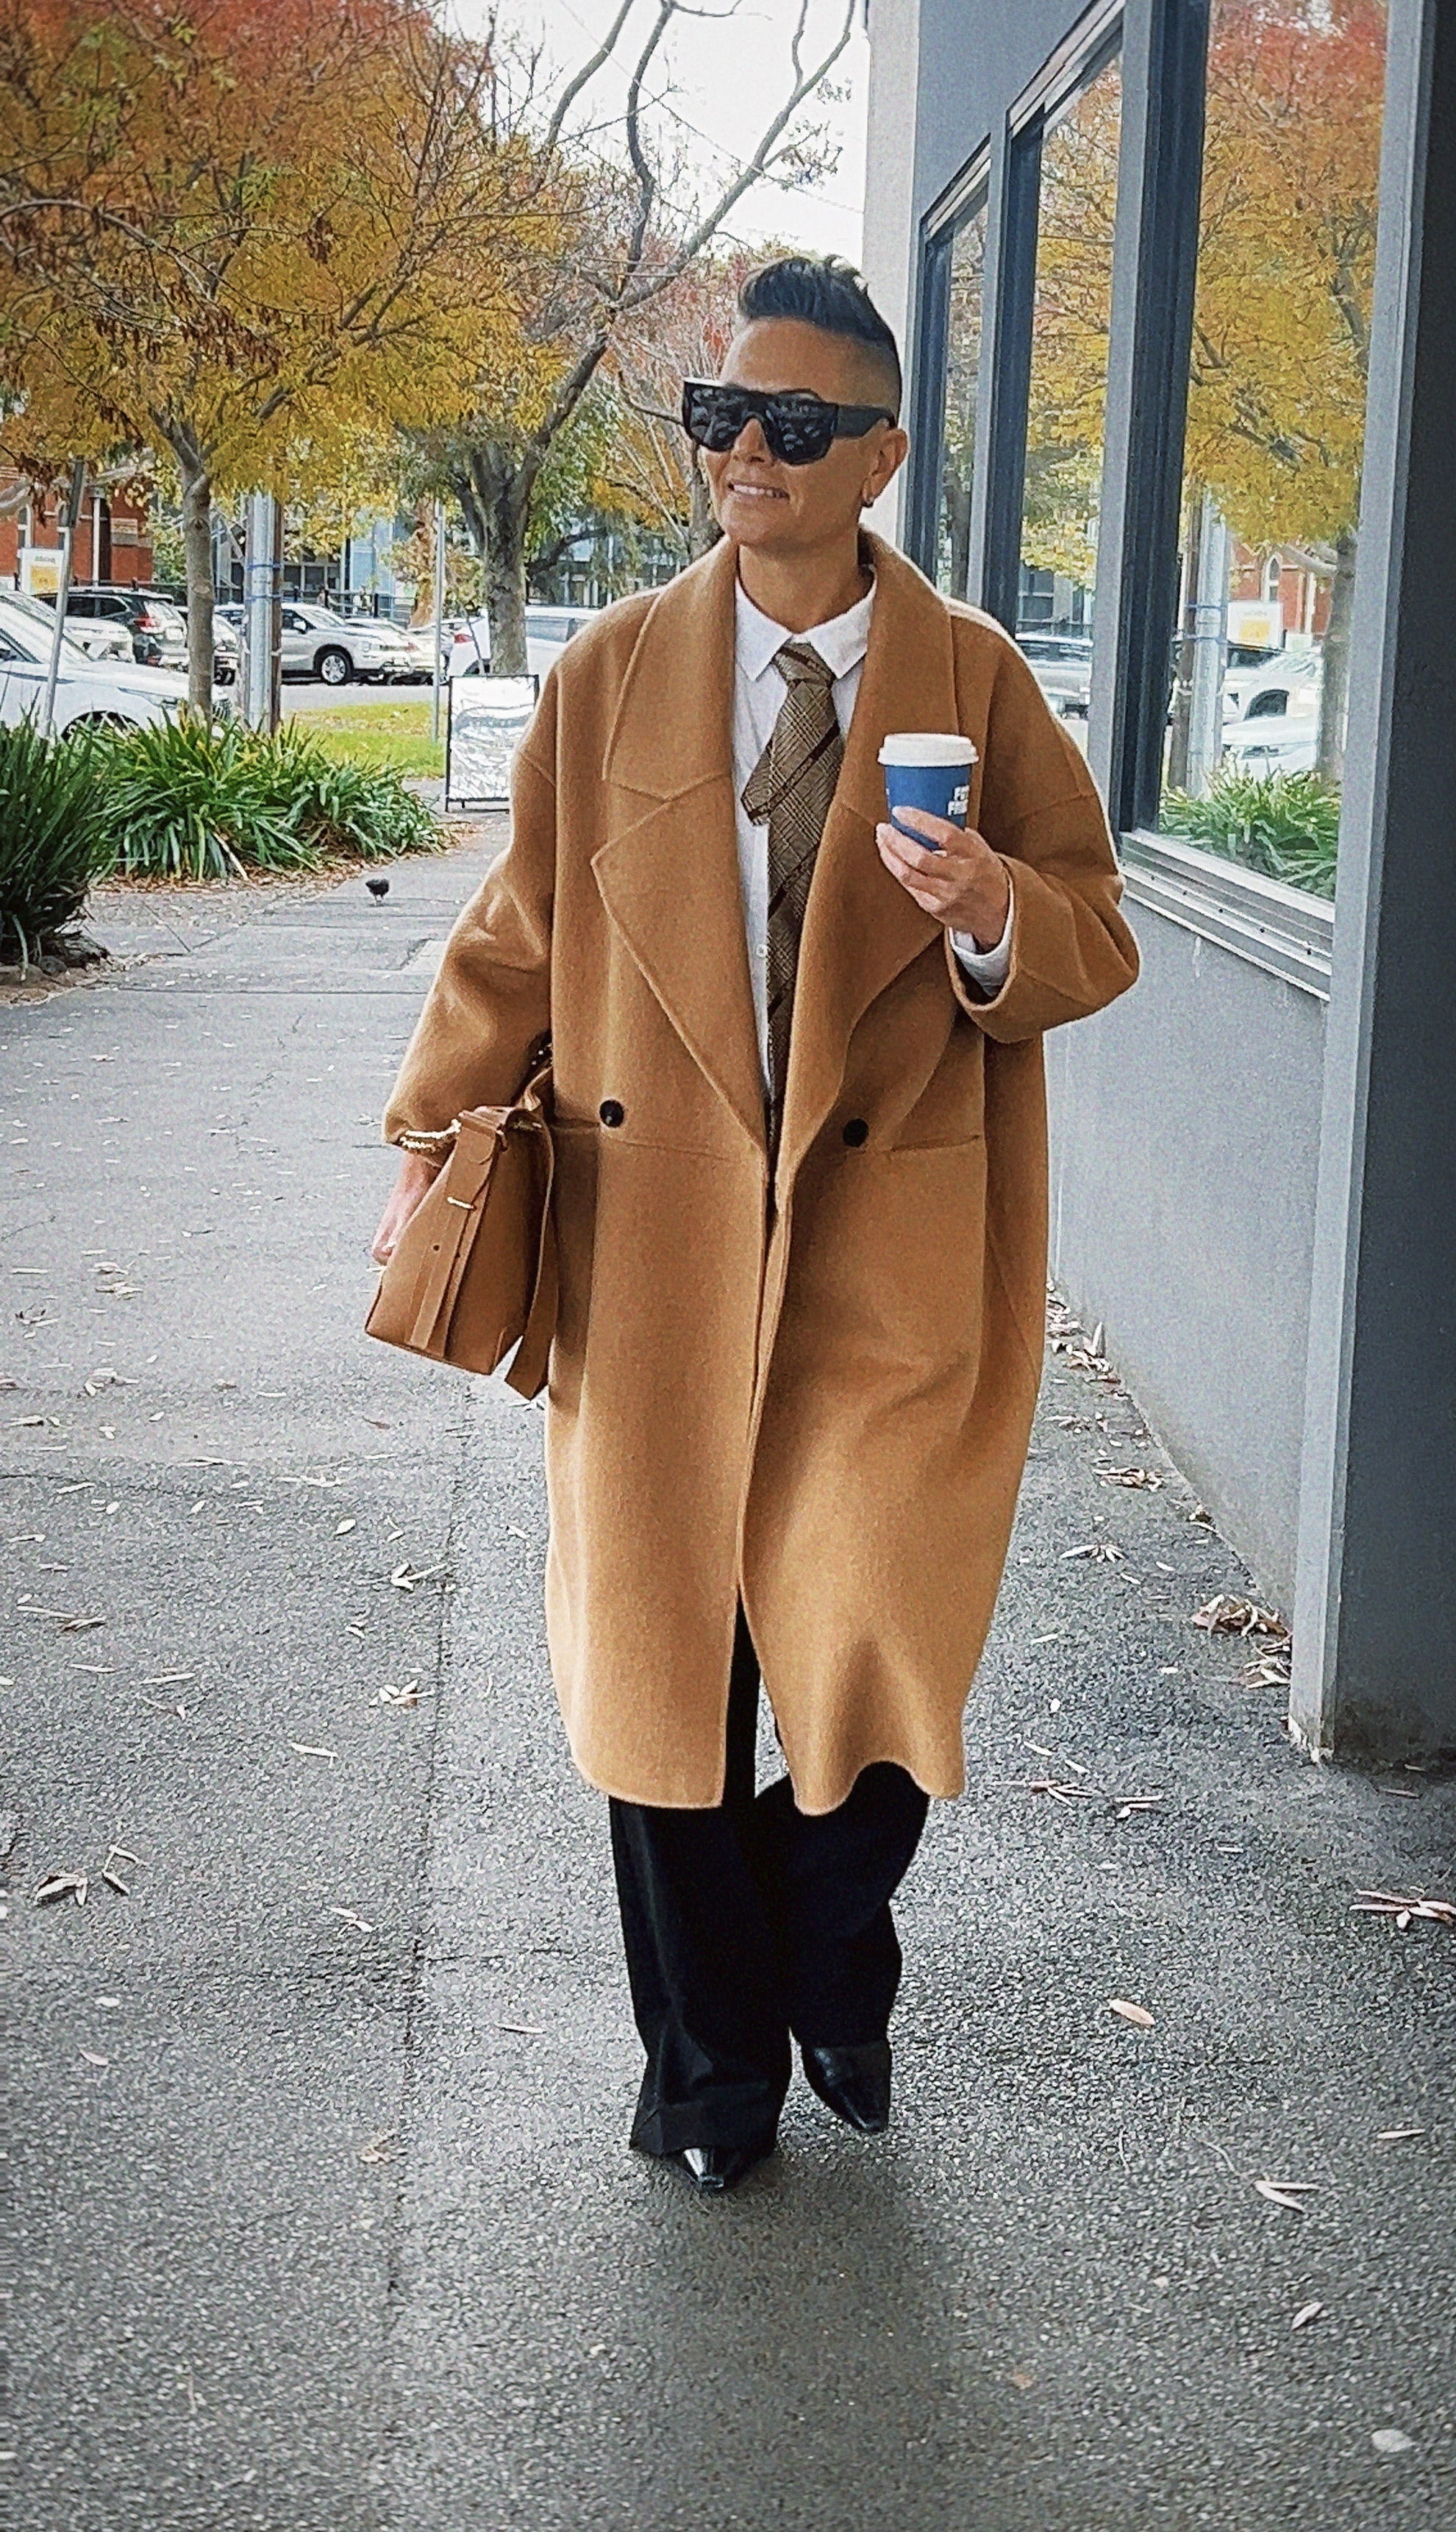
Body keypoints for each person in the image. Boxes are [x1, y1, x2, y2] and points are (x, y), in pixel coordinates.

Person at [373, 254, 1138, 2193]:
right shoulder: (612, 673)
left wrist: (991, 911)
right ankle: (714, 2079)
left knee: (877, 1633)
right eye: (723, 415)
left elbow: (1095, 932)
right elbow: (519, 933)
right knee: (668, 1680)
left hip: (896, 1242)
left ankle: (828, 1953)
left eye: (796, 424)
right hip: (654, 1236)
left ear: (878, 455)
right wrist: (435, 1131)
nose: (748, 454)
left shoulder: (975, 679)